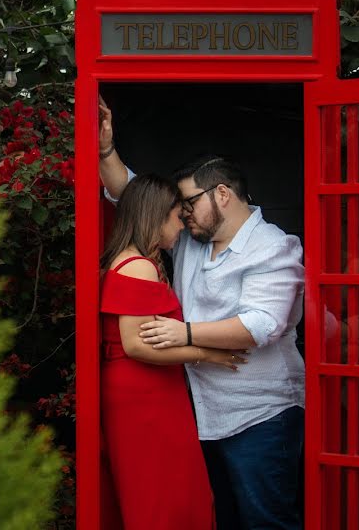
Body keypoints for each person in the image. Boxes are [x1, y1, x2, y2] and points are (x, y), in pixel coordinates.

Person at [98, 96, 306, 530]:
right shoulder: (192, 240)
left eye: (190, 202)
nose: (184, 213)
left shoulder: (275, 248)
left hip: (260, 418)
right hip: (201, 416)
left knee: (265, 522)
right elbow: (131, 194)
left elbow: (261, 324)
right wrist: (105, 151)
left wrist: (187, 335)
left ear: (223, 194)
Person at [100, 173, 246, 530]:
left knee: (170, 492)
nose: (182, 226)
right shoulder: (137, 266)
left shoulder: (140, 262)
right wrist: (207, 354)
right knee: (163, 496)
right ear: (157, 215)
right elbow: (135, 345)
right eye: (177, 217)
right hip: (145, 397)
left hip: (150, 393)